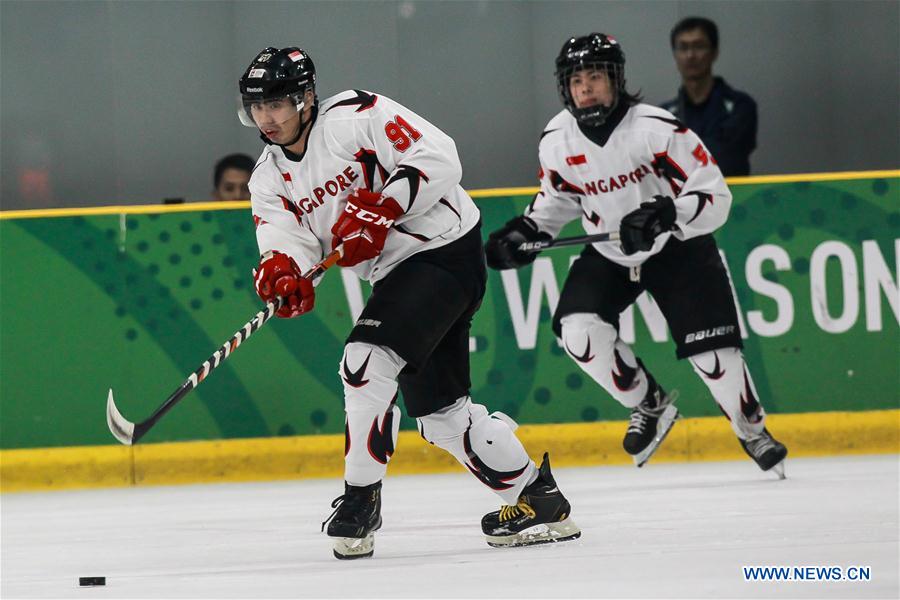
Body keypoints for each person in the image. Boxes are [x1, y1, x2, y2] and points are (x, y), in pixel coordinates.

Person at [238, 47, 580, 559]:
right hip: (398, 275)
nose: (266, 117)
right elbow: (288, 240)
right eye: (256, 107)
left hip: (444, 247)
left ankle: (360, 502)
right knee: (443, 416)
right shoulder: (267, 178)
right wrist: (283, 269)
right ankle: (538, 500)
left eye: (277, 104)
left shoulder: (356, 115)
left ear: (307, 98)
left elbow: (439, 155)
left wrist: (385, 208)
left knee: (365, 361)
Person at [485, 33, 787, 477]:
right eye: (576, 80)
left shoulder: (657, 128)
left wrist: (669, 213)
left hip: (678, 247)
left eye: (595, 76)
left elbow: (714, 194)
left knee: (715, 358)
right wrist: (527, 230)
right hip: (609, 251)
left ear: (616, 78)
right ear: (564, 87)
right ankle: (649, 404)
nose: (585, 87)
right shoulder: (556, 138)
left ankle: (752, 431)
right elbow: (559, 198)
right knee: (578, 333)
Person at [660, 17, 757, 177]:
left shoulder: (741, 106)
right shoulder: (665, 115)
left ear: (714, 52)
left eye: (699, 46)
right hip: (683, 200)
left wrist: (680, 151)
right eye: (683, 48)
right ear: (675, 55)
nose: (690, 55)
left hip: (733, 197)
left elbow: (727, 160)